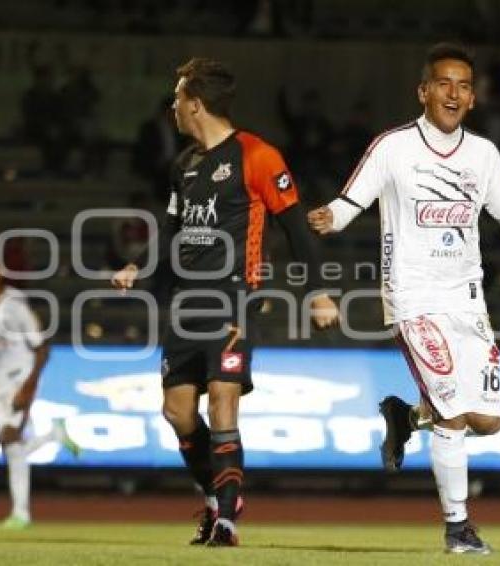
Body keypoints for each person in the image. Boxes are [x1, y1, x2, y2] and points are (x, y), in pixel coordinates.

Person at [308, 43, 500, 555]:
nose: (454, 93)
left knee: (487, 422)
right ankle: (458, 529)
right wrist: (327, 218)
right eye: (444, 83)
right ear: (423, 91)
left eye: (464, 85)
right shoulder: (392, 147)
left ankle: (406, 418)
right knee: (452, 414)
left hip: (467, 300)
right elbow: (349, 201)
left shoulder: (483, 155)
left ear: (473, 98)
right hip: (413, 297)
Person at [111, 57, 338, 547]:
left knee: (222, 401)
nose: (172, 107)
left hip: (233, 297)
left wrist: (317, 291)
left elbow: (295, 226)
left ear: (195, 104)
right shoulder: (184, 164)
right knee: (177, 413)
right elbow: (171, 232)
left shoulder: (258, 156)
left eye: (176, 99)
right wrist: (140, 267)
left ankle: (229, 521)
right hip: (185, 304)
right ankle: (215, 498)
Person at [0, 241, 80, 530]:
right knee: (10, 445)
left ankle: (21, 514)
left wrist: (28, 387)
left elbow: (42, 348)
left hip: (19, 373)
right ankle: (53, 435)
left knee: (11, 439)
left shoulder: (15, 306)